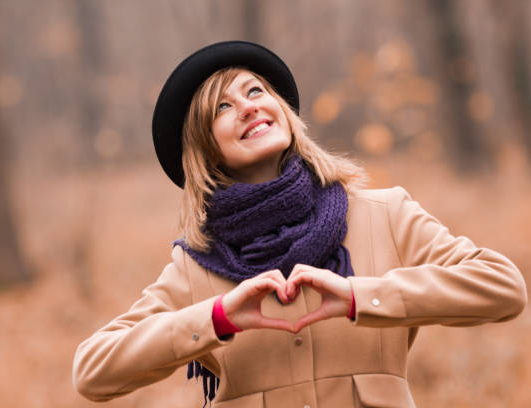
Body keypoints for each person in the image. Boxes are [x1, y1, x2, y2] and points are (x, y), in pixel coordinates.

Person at [72, 41, 527, 407]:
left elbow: (502, 287)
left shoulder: (383, 213)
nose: (248, 107)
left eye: (255, 92)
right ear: (204, 150)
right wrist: (218, 317)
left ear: (282, 111)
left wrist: (359, 296)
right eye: (222, 109)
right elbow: (93, 371)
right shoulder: (196, 266)